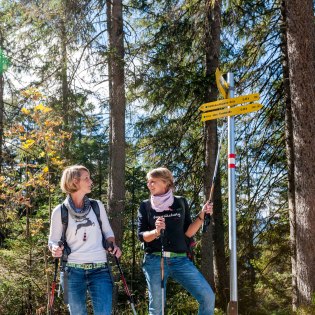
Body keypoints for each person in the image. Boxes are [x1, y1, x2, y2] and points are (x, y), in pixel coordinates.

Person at [137, 167, 215, 315]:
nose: (149, 185)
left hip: (180, 260)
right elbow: (141, 235)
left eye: (153, 181)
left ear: (166, 182)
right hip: (154, 261)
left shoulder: (180, 202)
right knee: (157, 309)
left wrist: (202, 215)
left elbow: (188, 232)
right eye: (148, 182)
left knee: (208, 297)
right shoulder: (145, 206)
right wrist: (156, 232)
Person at [48, 165, 121, 315]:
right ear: (75, 182)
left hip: (100, 269)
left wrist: (112, 245)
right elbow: (52, 241)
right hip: (70, 272)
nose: (91, 181)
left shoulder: (97, 206)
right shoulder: (59, 211)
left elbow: (108, 232)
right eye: (86, 178)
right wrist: (54, 248)